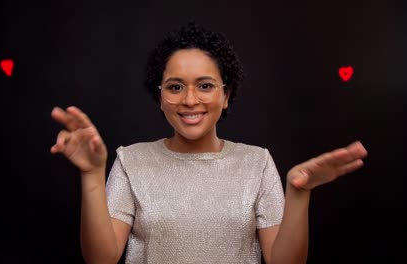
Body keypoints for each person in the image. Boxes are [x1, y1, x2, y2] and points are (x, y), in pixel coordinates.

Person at [50, 22, 368, 264]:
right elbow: (101, 258)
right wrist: (92, 174)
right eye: (175, 87)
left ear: (225, 95)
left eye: (205, 85)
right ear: (159, 97)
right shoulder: (132, 161)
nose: (190, 100)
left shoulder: (256, 163)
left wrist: (299, 193)